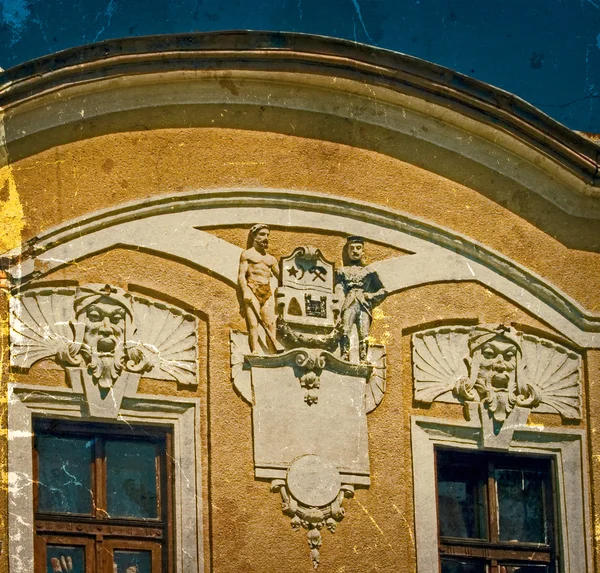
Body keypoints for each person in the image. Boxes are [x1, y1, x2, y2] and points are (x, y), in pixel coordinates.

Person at [335, 237, 387, 362]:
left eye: (358, 248)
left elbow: (384, 290)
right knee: (345, 330)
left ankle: (363, 358)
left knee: (363, 333)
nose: (355, 251)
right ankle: (344, 356)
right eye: (351, 248)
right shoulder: (342, 271)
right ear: (347, 251)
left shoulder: (369, 271)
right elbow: (339, 288)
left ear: (363, 251)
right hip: (349, 302)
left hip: (364, 303)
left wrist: (371, 296)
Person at [238, 224, 283, 353]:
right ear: (254, 236)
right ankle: (255, 350)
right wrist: (245, 291)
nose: (266, 237)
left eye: (267, 235)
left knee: (270, 323)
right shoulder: (247, 254)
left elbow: (281, 277)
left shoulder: (271, 259)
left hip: (266, 292)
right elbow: (241, 275)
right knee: (253, 324)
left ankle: (272, 352)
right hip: (252, 289)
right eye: (262, 234)